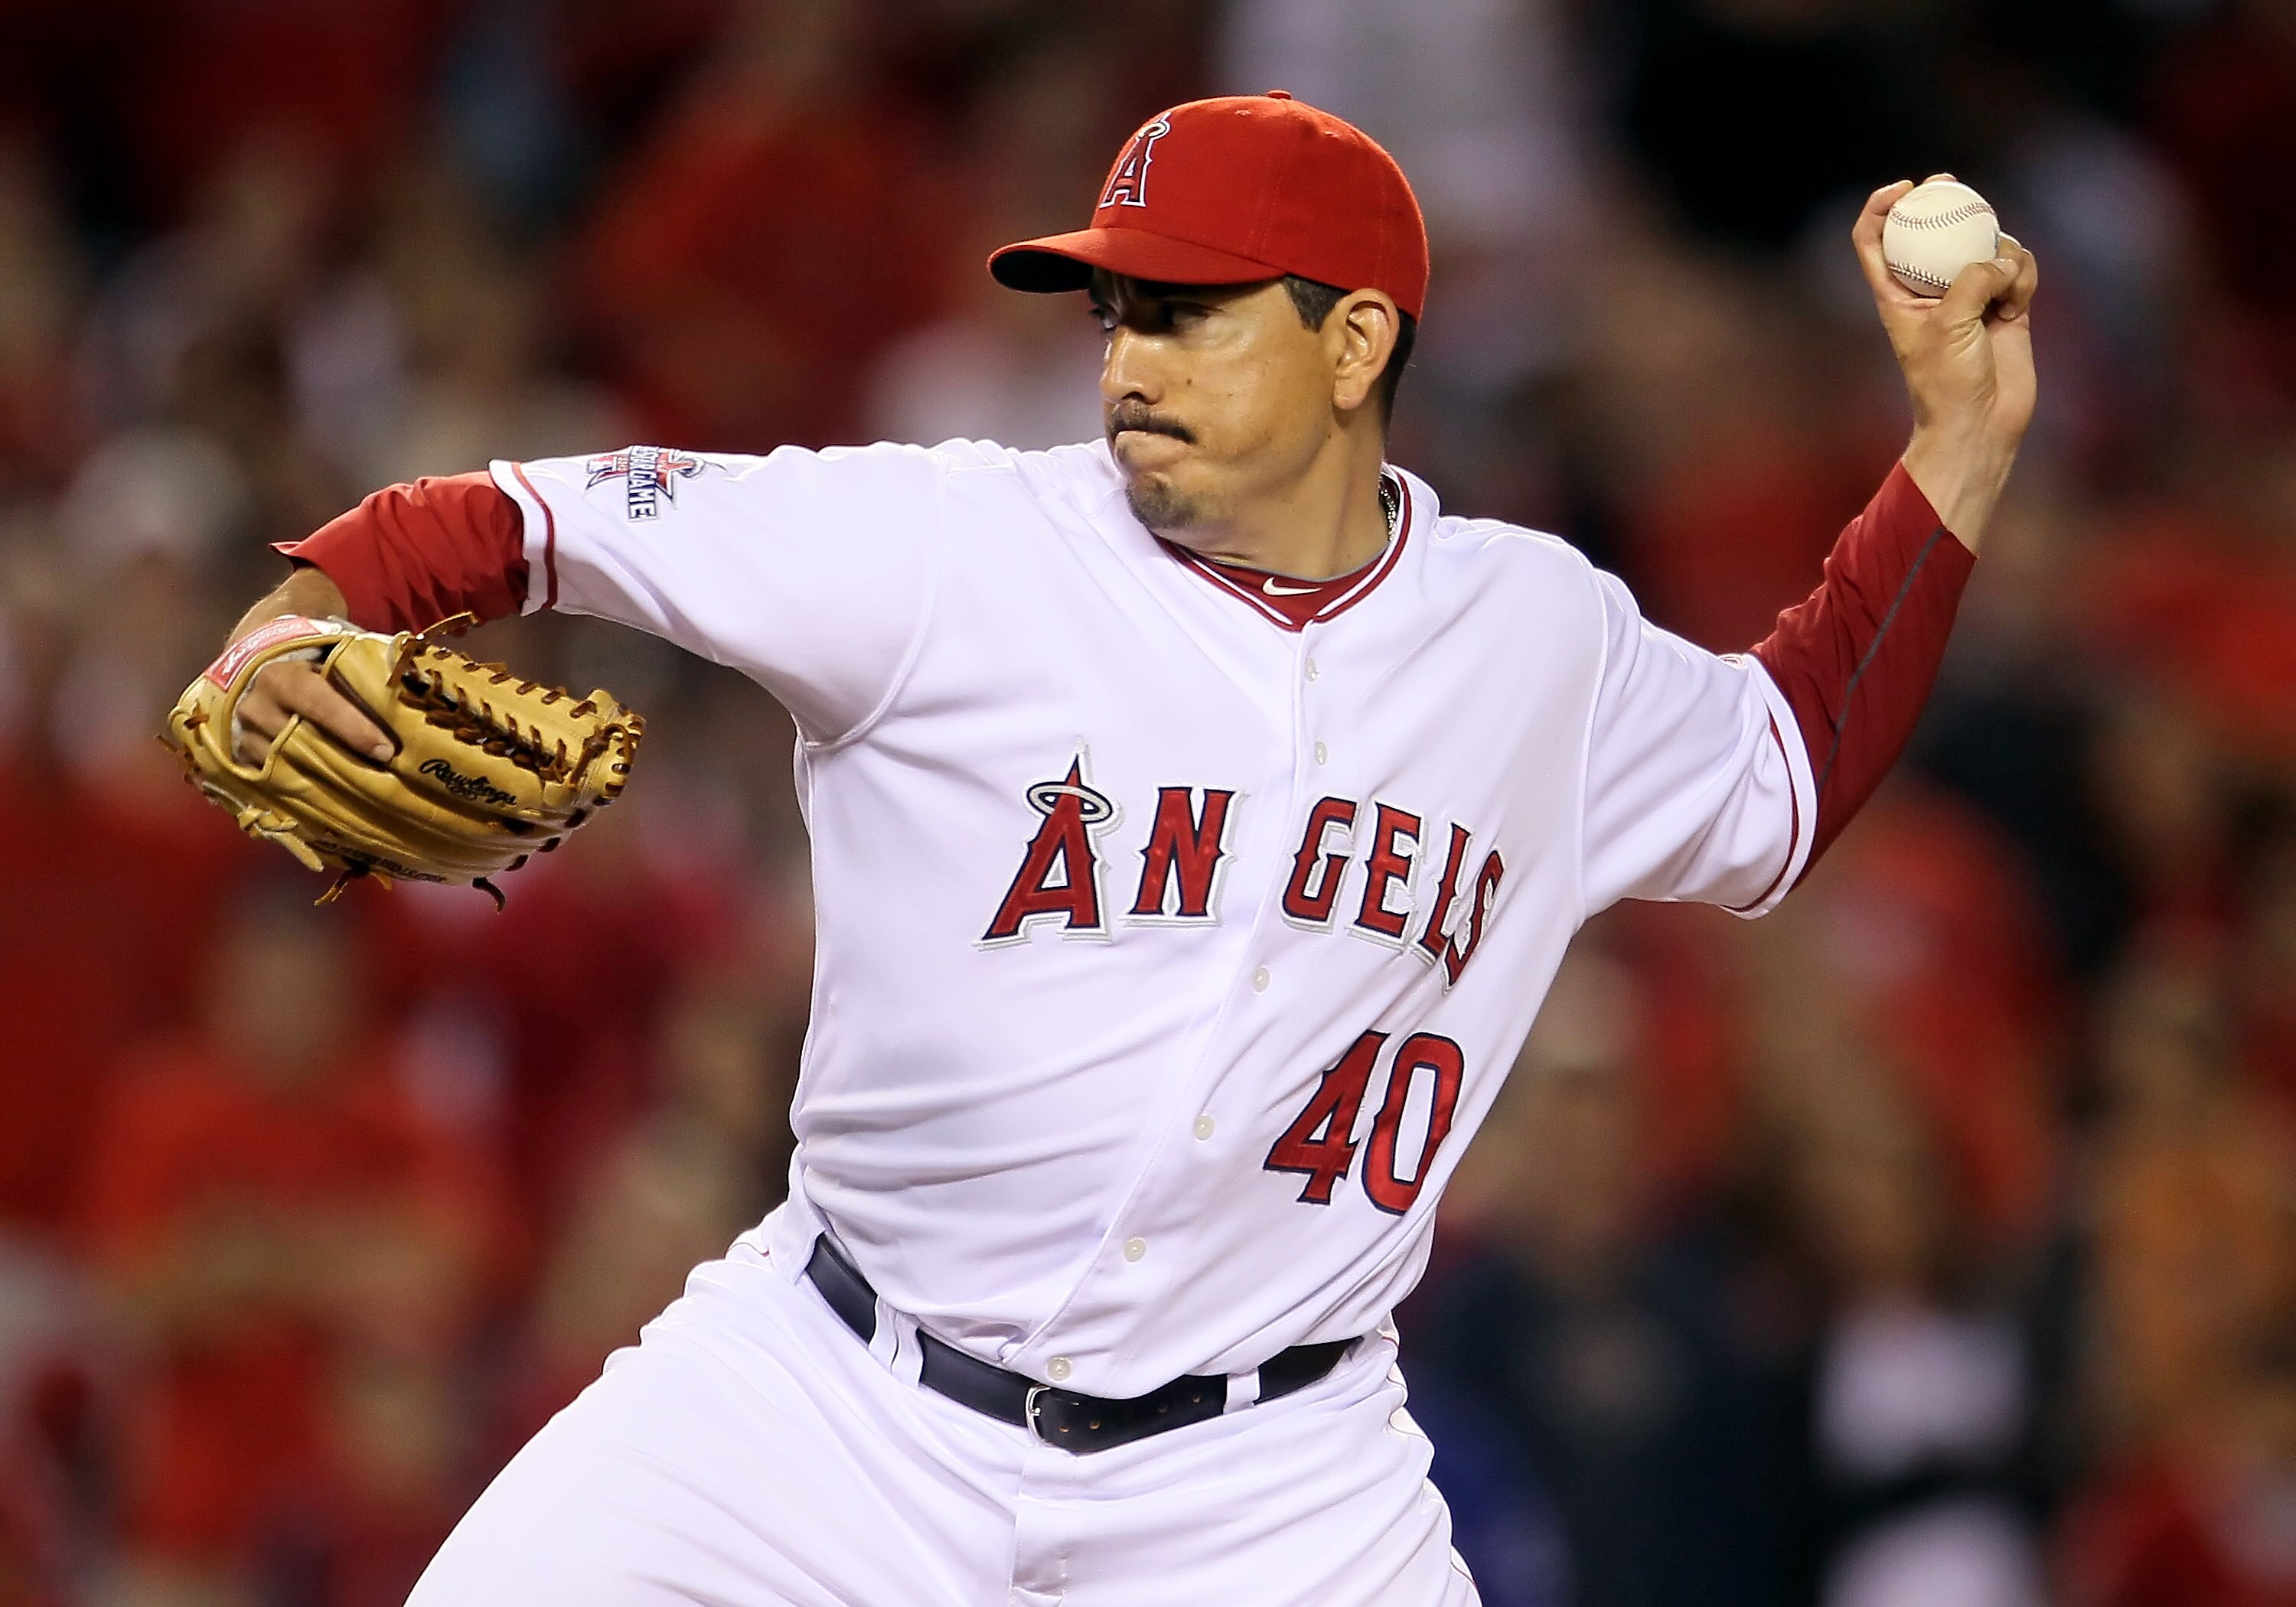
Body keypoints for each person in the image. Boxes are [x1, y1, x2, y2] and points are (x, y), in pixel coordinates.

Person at [203, 93, 2037, 1605]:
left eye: (1186, 311)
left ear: (1357, 341)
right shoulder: (946, 547)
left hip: (1270, 1487)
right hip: (830, 1399)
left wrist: (1960, 440)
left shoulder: (1533, 639)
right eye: (1114, 312)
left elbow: (1787, 761)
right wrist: (293, 621)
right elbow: (525, 518)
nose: (1126, 358)